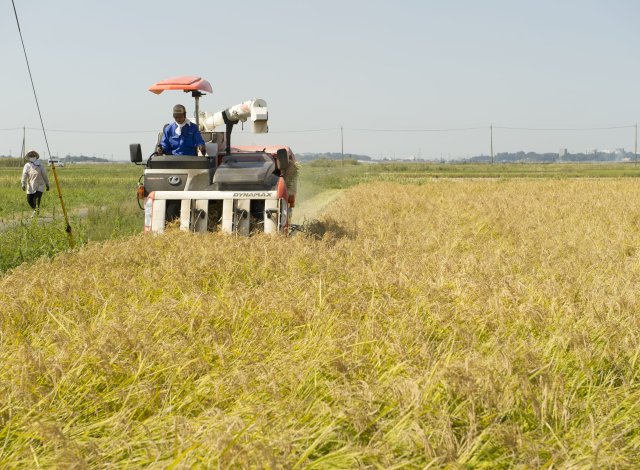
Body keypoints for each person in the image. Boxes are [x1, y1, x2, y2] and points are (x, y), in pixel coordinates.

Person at [21, 150, 50, 217]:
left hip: (40, 185)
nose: (32, 156)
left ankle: (35, 212)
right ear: (28, 157)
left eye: (33, 155)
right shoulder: (27, 165)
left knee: (36, 199)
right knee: (29, 200)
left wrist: (47, 184)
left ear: (36, 156)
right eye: (30, 155)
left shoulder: (40, 165)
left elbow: (44, 175)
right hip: (30, 185)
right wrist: (23, 183)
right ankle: (36, 210)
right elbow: (24, 174)